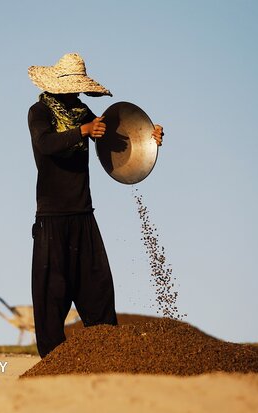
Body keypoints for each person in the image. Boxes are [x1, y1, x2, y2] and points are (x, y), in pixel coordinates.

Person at [26, 53, 164, 357]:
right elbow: (45, 144)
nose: (75, 94)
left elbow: (115, 137)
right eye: (71, 88)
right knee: (51, 297)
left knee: (98, 288)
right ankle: (52, 363)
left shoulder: (82, 111)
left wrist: (149, 137)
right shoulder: (39, 112)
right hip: (52, 218)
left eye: (77, 89)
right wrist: (81, 132)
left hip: (83, 216)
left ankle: (110, 357)